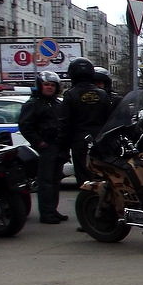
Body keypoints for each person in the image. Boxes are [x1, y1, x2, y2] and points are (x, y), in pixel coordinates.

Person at [16, 71, 68, 223]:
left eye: (52, 85)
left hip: (58, 146)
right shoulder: (33, 104)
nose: (49, 88)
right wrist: (39, 143)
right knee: (45, 181)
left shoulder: (58, 103)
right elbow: (25, 126)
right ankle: (46, 214)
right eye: (46, 84)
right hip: (46, 147)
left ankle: (53, 210)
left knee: (56, 180)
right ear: (40, 86)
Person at [57, 57, 112, 186]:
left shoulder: (70, 95)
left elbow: (64, 123)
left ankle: (87, 201)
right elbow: (109, 119)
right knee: (102, 176)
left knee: (84, 179)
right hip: (101, 142)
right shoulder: (102, 94)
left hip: (79, 143)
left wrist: (62, 148)